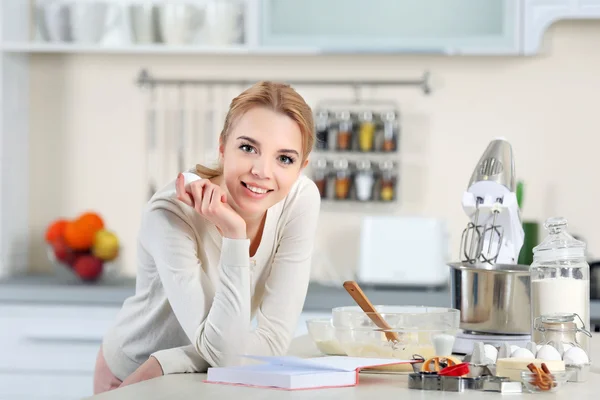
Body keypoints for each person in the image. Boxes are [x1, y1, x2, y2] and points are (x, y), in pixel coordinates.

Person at [93, 81, 321, 394]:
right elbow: (228, 355)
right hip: (134, 377)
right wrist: (234, 235)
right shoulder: (170, 213)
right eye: (248, 148)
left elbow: (271, 342)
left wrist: (169, 361)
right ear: (223, 147)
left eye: (284, 159)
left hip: (197, 373)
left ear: (301, 168)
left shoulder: (300, 200)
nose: (262, 171)